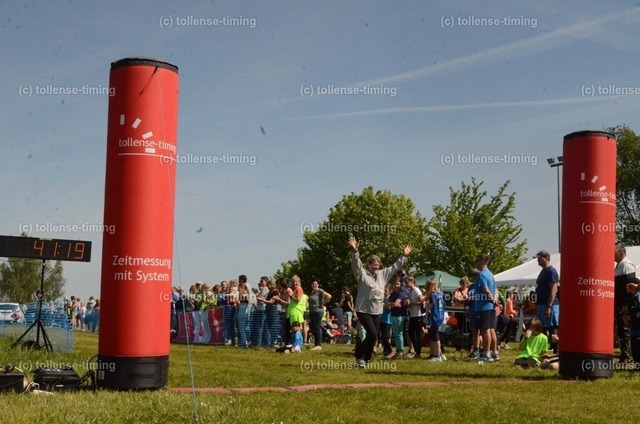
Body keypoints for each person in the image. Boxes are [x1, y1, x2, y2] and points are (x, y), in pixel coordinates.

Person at [349, 236, 412, 368]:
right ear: (368, 265)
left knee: (373, 337)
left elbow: (395, 267)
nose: (376, 267)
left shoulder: (383, 274)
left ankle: (364, 359)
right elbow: (356, 265)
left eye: (378, 265)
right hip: (363, 309)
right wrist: (355, 251)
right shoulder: (362, 274)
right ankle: (359, 354)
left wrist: (404, 255)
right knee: (372, 333)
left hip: (377, 310)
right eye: (373, 265)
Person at [474, 254, 499, 362]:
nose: (475, 263)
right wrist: (495, 299)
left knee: (485, 330)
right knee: (490, 329)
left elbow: (486, 290)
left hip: (484, 306)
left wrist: (492, 299)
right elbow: (496, 289)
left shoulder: (482, 274)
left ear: (481, 261)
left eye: (476, 261)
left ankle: (486, 353)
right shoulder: (490, 274)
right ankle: (494, 352)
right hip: (490, 306)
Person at [534, 250, 559, 353]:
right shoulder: (543, 271)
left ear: (546, 258)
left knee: (552, 328)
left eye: (539, 258)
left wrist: (549, 306)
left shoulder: (551, 271)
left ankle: (556, 351)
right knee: (542, 328)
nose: (538, 261)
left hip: (549, 305)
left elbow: (554, 289)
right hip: (541, 304)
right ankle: (543, 350)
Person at [615, 245, 636, 364]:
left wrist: (627, 303)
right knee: (621, 329)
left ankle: (628, 356)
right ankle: (624, 354)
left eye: (615, 253)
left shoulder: (627, 265)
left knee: (625, 329)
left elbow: (630, 286)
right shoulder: (619, 266)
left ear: (621, 253)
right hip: (620, 302)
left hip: (625, 303)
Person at [308, 278, 332, 351]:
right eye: (312, 284)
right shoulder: (312, 293)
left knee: (317, 327)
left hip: (318, 311)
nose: (314, 285)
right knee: (314, 328)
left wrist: (322, 303)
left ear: (318, 285)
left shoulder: (320, 291)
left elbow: (329, 296)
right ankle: (316, 344)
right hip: (312, 312)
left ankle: (318, 345)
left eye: (315, 284)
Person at [425, 278, 446, 361]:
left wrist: (427, 309)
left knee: (435, 337)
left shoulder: (433, 295)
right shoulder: (440, 294)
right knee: (433, 336)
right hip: (440, 315)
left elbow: (432, 303)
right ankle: (434, 354)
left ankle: (437, 355)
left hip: (435, 316)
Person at [406, 275, 425, 359]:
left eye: (407, 282)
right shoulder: (410, 291)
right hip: (412, 314)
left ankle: (418, 353)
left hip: (418, 315)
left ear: (412, 282)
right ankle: (416, 349)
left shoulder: (416, 290)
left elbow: (421, 301)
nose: (406, 284)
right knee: (410, 332)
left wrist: (411, 303)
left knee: (418, 334)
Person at [625, 277, 640, 369]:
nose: (627, 290)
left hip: (638, 328)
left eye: (627, 287)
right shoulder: (634, 297)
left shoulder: (638, 296)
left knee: (637, 349)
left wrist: (632, 317)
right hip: (634, 328)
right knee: (634, 349)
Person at [380, 283, 394, 358]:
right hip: (381, 319)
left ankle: (390, 351)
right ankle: (385, 351)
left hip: (387, 320)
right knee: (382, 336)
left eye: (386, 291)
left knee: (385, 337)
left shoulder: (390, 298)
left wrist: (383, 305)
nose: (384, 292)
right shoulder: (382, 298)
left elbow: (389, 307)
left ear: (390, 291)